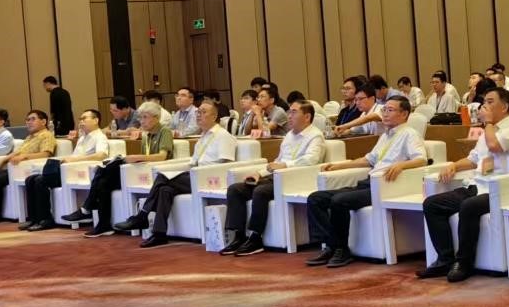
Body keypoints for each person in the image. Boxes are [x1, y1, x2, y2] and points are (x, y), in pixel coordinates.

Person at [416, 87, 509, 282]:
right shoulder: (489, 130)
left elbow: (495, 146)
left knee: (469, 206)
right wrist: (454, 165)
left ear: (505, 107)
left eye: (490, 102)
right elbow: (473, 159)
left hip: (502, 188)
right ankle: (445, 259)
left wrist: (488, 123)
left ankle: (464, 263)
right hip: (477, 185)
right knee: (432, 204)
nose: (484, 106)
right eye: (484, 102)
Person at [305, 97, 427, 268]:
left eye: (390, 110)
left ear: (404, 114)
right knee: (316, 198)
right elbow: (368, 160)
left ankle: (341, 249)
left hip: (384, 187)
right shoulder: (385, 135)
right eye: (384, 110)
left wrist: (401, 165)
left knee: (339, 201)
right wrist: (339, 166)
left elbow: (421, 159)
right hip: (368, 182)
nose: (385, 114)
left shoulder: (410, 134)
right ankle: (331, 245)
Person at [116, 102, 237, 247]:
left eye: (203, 112)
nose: (199, 115)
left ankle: (143, 215)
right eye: (198, 112)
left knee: (162, 177)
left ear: (214, 116)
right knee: (164, 189)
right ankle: (159, 234)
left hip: (210, 178)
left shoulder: (223, 136)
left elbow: (226, 164)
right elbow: (194, 162)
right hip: (195, 175)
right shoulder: (203, 136)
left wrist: (197, 172)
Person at [221, 100, 327, 256]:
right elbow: (277, 161)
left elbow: (311, 160)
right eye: (289, 112)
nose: (289, 116)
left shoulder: (315, 135)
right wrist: (259, 173)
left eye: (294, 112)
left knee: (261, 191)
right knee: (235, 189)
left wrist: (285, 165)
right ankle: (238, 236)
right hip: (277, 176)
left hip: (296, 179)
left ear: (307, 117)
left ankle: (255, 237)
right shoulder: (289, 135)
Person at [65, 101, 174, 236]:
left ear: (156, 118)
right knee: (103, 183)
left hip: (154, 173)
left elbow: (162, 156)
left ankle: (86, 208)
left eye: (145, 117)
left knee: (107, 170)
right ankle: (103, 225)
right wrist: (136, 158)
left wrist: (136, 157)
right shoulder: (146, 135)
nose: (141, 121)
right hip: (140, 170)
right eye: (140, 118)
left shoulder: (164, 131)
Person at [22, 109, 108, 231]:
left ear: (96, 120)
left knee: (40, 181)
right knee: (30, 179)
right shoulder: (83, 138)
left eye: (84, 118)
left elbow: (101, 155)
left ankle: (45, 219)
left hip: (80, 172)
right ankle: (33, 218)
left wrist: (75, 160)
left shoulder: (100, 136)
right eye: (80, 119)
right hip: (69, 170)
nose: (81, 122)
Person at [0, 110, 56, 225]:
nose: (29, 122)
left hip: (26, 169)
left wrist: (25, 157)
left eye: (33, 119)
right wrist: (2, 161)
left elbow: (46, 154)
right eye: (27, 120)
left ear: (44, 121)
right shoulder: (29, 137)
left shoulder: (46, 135)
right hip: (13, 168)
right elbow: (16, 152)